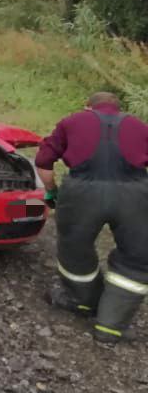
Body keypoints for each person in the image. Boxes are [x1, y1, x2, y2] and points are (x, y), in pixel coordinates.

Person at [36, 91, 148, 345]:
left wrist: (53, 192)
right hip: (134, 194)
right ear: (119, 109)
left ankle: (83, 301)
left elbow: (43, 162)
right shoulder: (139, 126)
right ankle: (110, 327)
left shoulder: (72, 121)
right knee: (137, 258)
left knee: (74, 248)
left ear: (88, 107)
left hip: (82, 192)